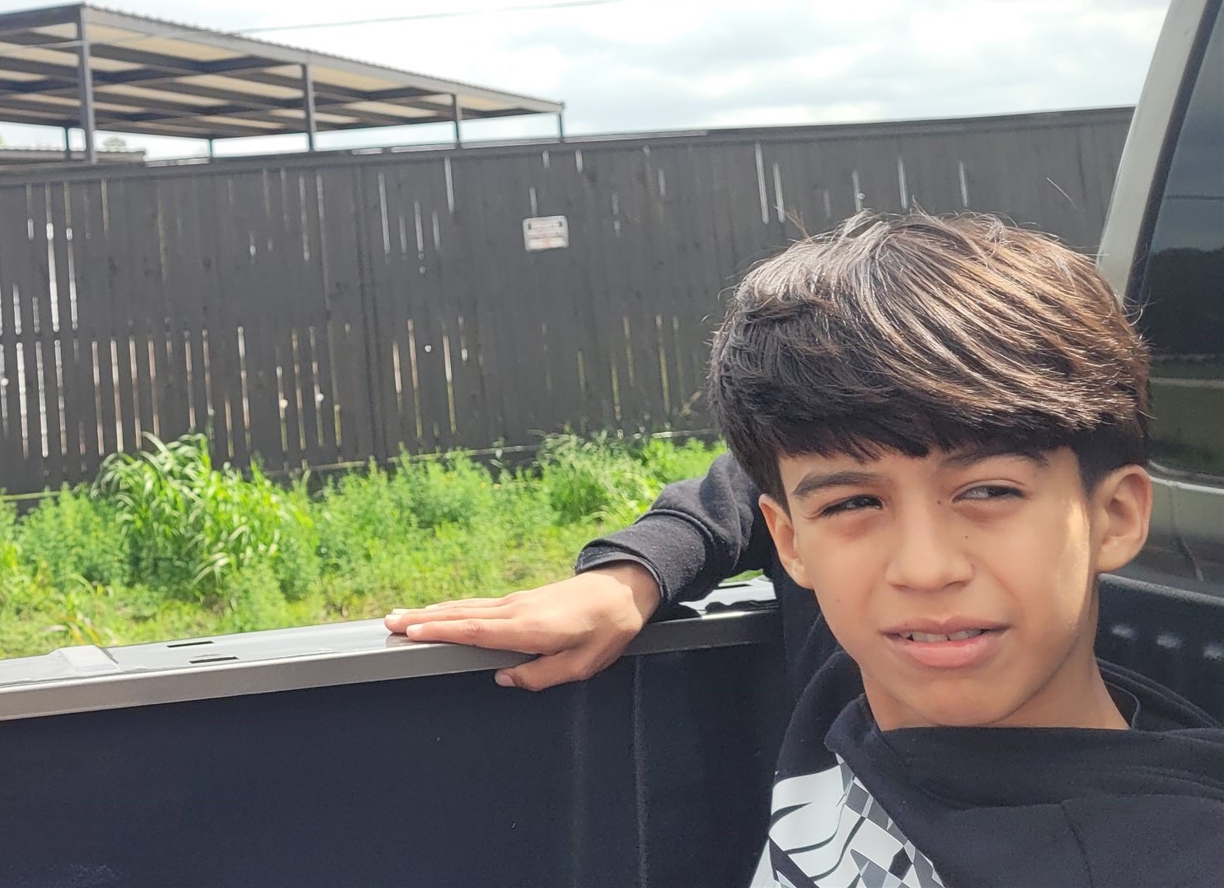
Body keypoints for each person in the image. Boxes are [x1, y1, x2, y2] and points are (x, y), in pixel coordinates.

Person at [385, 212, 1224, 887]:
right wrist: (632, 572)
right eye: (859, 502)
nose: (924, 566)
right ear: (795, 543)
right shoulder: (863, 648)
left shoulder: (1164, 852)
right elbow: (752, 481)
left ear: (1114, 514)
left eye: (989, 491)